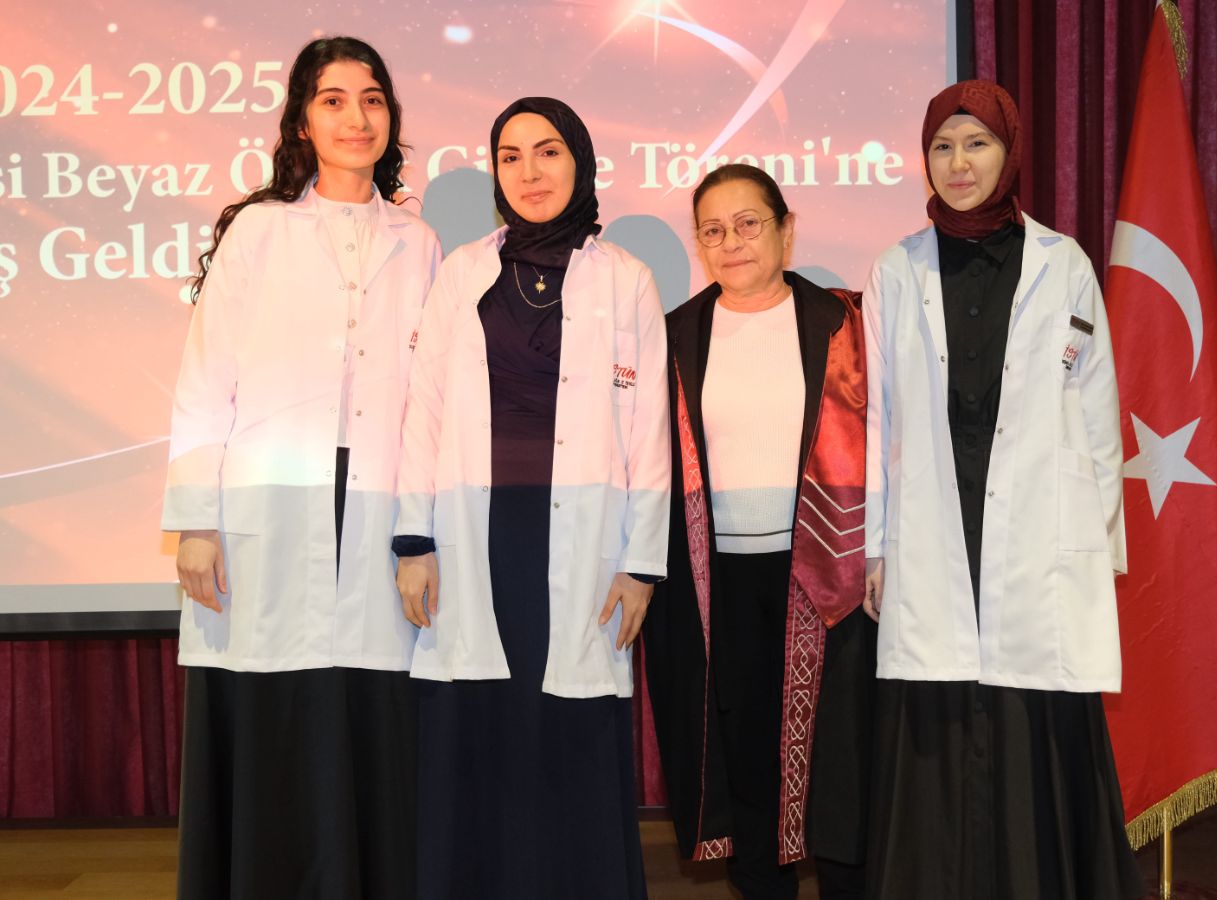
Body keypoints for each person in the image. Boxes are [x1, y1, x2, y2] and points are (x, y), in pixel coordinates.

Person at [162, 36, 441, 900]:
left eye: (372, 99)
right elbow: (206, 378)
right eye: (333, 99)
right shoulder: (260, 230)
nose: (356, 117)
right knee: (272, 710)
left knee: (370, 712)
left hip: (378, 499)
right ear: (301, 122)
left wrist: (420, 533)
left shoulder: (419, 241)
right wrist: (196, 520)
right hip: (270, 504)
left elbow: (429, 401)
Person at [861, 80, 1144, 899]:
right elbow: (878, 415)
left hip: (1036, 525)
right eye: (942, 147)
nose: (959, 163)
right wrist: (875, 546)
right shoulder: (895, 268)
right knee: (938, 711)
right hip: (934, 518)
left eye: (977, 144)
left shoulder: (1064, 263)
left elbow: (1097, 409)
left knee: (1034, 709)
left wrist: (1096, 546)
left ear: (1009, 153)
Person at [393, 97, 669, 900]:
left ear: (579, 160)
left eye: (547, 152)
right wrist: (414, 540)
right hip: (477, 531)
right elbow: (424, 411)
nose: (529, 171)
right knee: (479, 725)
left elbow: (650, 428)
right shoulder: (462, 273)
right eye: (510, 157)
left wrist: (642, 564)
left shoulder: (626, 279)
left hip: (586, 538)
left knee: (569, 729)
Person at [644, 164, 874, 900]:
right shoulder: (676, 335)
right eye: (713, 230)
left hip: (830, 575)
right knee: (745, 759)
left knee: (839, 765)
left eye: (749, 224)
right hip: (720, 583)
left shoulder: (846, 323)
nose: (732, 242)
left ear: (786, 229)